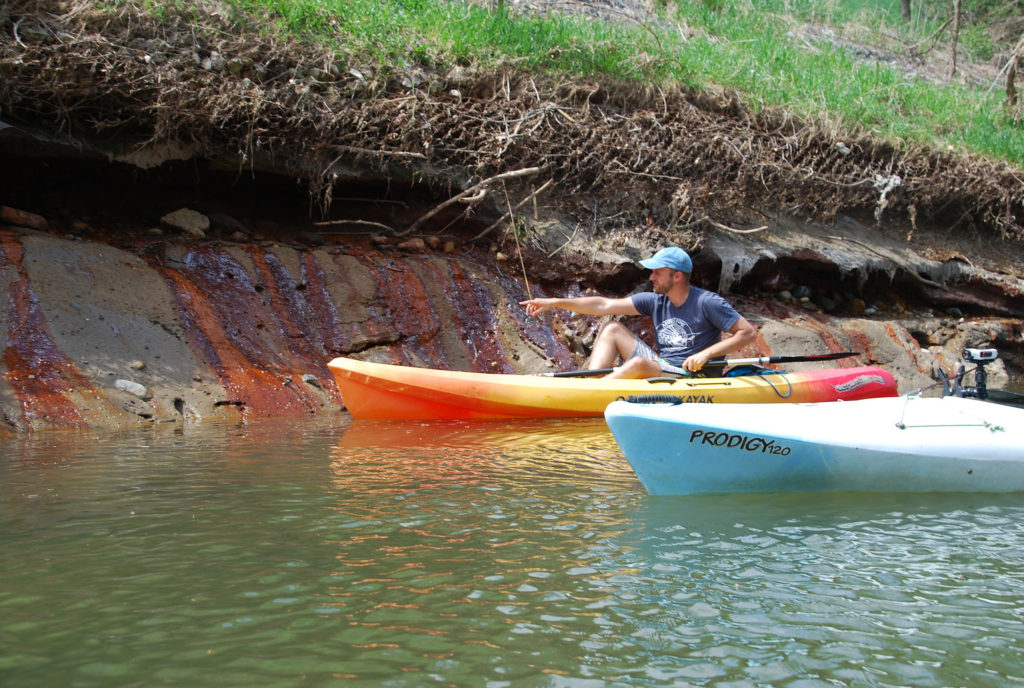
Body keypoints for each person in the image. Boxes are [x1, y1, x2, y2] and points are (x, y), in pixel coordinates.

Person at [520, 247, 757, 379]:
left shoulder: (707, 302)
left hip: (693, 376)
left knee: (640, 364)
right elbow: (604, 306)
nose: (651, 277)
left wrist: (706, 355)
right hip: (664, 365)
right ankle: (591, 384)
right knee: (612, 328)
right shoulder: (655, 301)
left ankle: (591, 394)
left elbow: (747, 333)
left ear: (677, 276)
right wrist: (554, 302)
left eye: (657, 272)